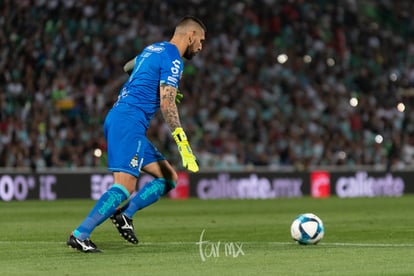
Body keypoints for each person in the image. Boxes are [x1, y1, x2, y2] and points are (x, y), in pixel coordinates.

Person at [67, 15, 206, 253]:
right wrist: (184, 146)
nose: (201, 47)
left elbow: (128, 67)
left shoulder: (153, 48)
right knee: (124, 186)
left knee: (168, 178)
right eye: (201, 40)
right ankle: (80, 234)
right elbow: (167, 105)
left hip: (124, 119)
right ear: (190, 35)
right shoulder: (174, 58)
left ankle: (125, 216)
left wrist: (149, 82)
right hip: (128, 122)